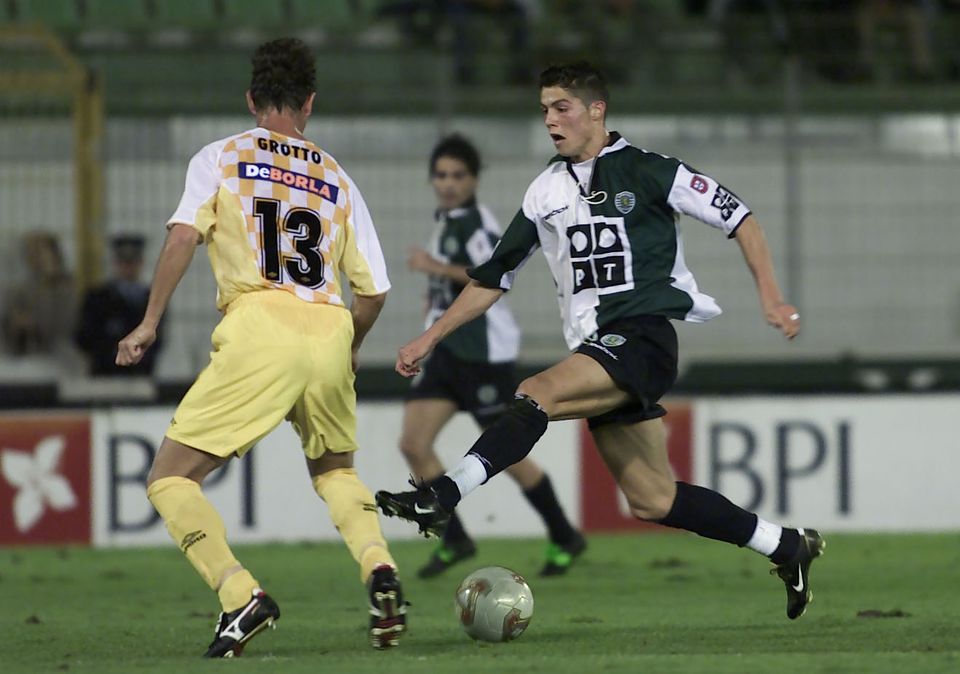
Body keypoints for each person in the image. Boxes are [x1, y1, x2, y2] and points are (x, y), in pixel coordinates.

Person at [377, 61, 825, 621]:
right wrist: (430, 337)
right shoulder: (545, 191)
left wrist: (772, 298)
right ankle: (786, 546)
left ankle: (441, 496)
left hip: (642, 338)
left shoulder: (650, 170)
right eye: (543, 109)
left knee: (537, 390)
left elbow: (742, 220)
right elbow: (494, 274)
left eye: (561, 107)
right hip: (600, 349)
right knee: (651, 499)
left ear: (597, 110)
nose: (550, 120)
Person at [116, 38, 405, 657]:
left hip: (259, 326)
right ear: (309, 103)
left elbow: (181, 240)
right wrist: (350, 347)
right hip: (330, 327)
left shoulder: (220, 157)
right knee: (335, 471)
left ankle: (238, 593)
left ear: (251, 99)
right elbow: (375, 292)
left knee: (170, 479)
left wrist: (148, 323)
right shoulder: (337, 178)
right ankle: (380, 567)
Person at [401, 133, 585, 579]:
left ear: (474, 179)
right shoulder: (447, 220)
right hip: (450, 355)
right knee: (413, 443)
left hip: (485, 355)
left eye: (458, 175)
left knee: (508, 456)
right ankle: (455, 537)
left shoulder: (477, 223)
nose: (448, 183)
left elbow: (487, 275)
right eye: (441, 175)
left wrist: (434, 268)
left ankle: (564, 534)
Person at [76, 234, 162, 376]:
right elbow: (84, 337)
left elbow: (158, 338)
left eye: (132, 261)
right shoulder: (97, 298)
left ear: (140, 263)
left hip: (140, 373)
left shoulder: (151, 298)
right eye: (124, 261)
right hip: (104, 372)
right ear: (116, 263)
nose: (128, 267)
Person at [1, 233, 76, 356]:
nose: (33, 256)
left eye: (39, 251)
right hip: (23, 355)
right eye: (30, 251)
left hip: (60, 354)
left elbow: (65, 327)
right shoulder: (20, 289)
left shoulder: (66, 287)